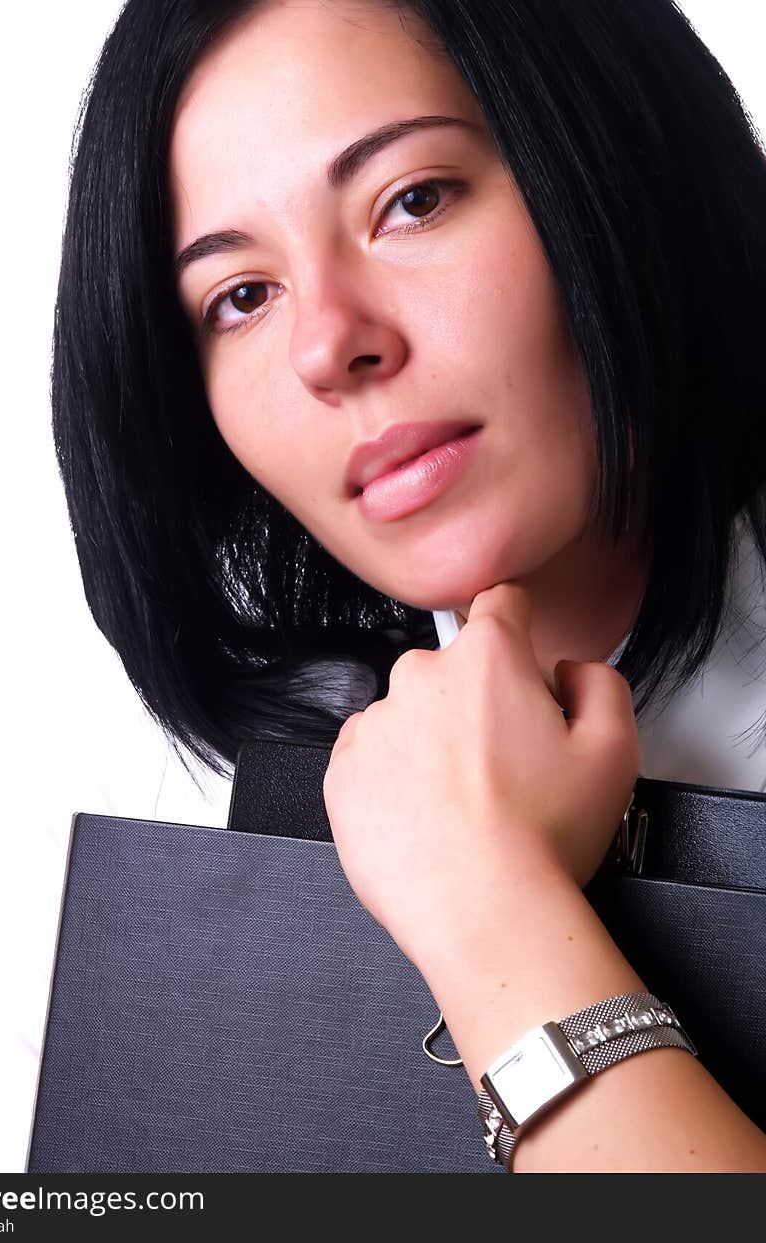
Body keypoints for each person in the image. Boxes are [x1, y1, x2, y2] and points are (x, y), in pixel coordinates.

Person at [51, 0, 766, 1170]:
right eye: (240, 295)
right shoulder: (249, 873)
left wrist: (487, 907)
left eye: (412, 200)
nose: (328, 344)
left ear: (613, 155)